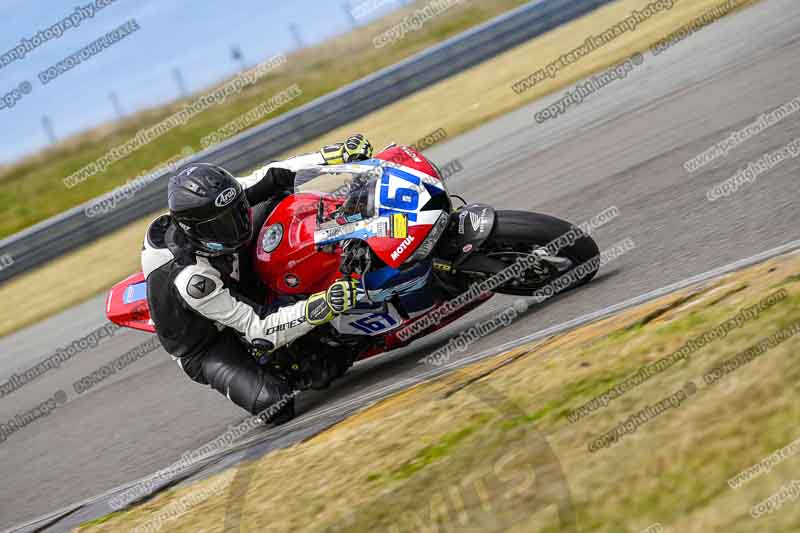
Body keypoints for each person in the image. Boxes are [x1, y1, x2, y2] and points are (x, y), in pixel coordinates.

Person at [141, 134, 374, 424]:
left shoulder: (220, 202)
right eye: (223, 225)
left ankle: (346, 235)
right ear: (196, 232)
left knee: (277, 195)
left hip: (231, 269)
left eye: (238, 212)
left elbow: (272, 174)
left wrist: (333, 156)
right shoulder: (192, 278)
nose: (238, 226)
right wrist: (325, 305)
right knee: (274, 404)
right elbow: (258, 328)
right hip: (207, 340)